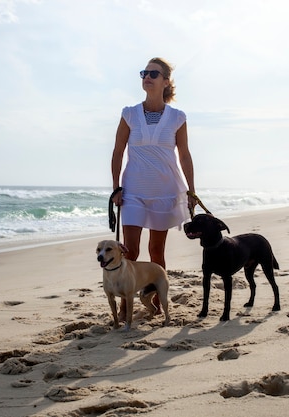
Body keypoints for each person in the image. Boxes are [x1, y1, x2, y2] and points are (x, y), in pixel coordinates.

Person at [110, 57, 197, 319]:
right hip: (133, 190)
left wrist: (191, 191)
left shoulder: (177, 117)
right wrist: (116, 188)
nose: (147, 77)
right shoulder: (129, 113)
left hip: (165, 192)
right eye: (144, 73)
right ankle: (126, 306)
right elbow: (117, 152)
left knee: (156, 251)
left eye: (153, 73)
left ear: (166, 81)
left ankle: (156, 302)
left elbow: (184, 155)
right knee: (130, 250)